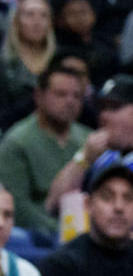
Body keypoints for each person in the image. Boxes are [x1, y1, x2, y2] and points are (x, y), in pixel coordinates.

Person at [45, 76, 133, 249]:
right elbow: (53, 205)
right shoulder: (102, 157)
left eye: (114, 108)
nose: (104, 116)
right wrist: (83, 159)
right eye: (102, 108)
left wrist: (115, 245)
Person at [0, 66, 90, 239]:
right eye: (61, 94)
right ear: (39, 96)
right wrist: (64, 232)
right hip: (35, 235)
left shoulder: (89, 139)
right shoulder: (17, 142)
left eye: (77, 96)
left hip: (83, 231)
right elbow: (18, 206)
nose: (70, 101)